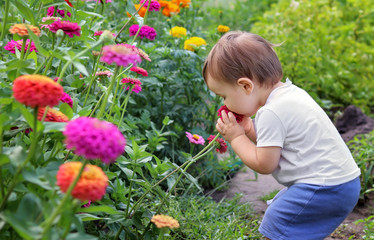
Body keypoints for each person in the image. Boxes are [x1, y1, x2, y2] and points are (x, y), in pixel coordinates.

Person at [202, 31, 361, 240]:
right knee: (291, 219)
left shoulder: (271, 112)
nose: (224, 104)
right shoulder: (290, 94)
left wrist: (236, 138)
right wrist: (249, 130)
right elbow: (274, 143)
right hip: (341, 183)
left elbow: (265, 163)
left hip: (324, 187)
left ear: (245, 86)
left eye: (224, 96)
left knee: (277, 223)